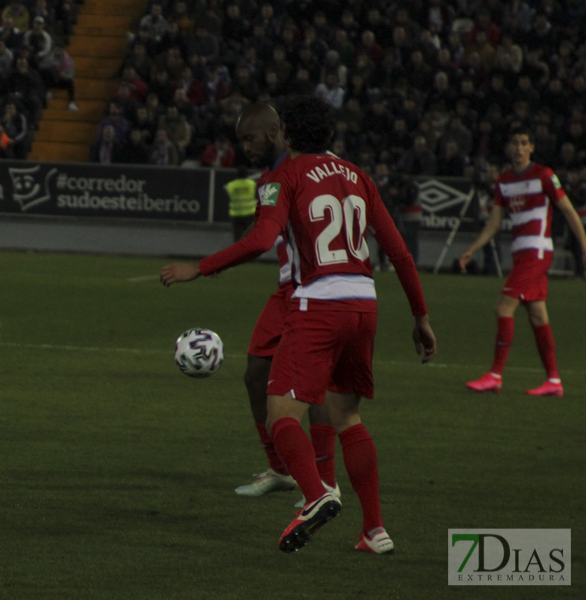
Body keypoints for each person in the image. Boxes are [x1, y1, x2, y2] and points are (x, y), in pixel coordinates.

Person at [160, 95, 437, 555]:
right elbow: (400, 252)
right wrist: (421, 316)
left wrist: (200, 267)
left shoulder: (281, 177)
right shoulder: (359, 176)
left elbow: (261, 239)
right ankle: (375, 530)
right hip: (364, 304)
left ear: (284, 132)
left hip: (318, 303)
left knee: (281, 413)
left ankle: (316, 494)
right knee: (348, 415)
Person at [225, 105, 338, 509]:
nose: (245, 147)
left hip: (315, 289)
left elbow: (259, 240)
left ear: (275, 130)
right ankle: (280, 470)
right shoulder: (268, 179)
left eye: (250, 139)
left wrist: (204, 267)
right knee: (256, 373)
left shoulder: (305, 169)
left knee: (313, 386)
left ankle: (327, 481)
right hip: (284, 290)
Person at [459, 129, 586, 397]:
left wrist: (584, 246)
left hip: (537, 252)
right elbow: (495, 222)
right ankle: (553, 380)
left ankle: (494, 375)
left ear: (531, 148)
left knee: (503, 307)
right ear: (509, 148)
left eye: (524, 143)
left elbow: (568, 211)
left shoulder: (543, 175)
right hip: (521, 255)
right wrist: (472, 248)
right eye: (514, 143)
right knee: (537, 313)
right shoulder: (504, 181)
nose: (519, 147)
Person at [225, 166, 257, 241]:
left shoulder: (231, 185)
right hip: (250, 213)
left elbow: (229, 196)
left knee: (238, 237)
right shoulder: (252, 183)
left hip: (237, 214)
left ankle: (239, 251)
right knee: (250, 235)